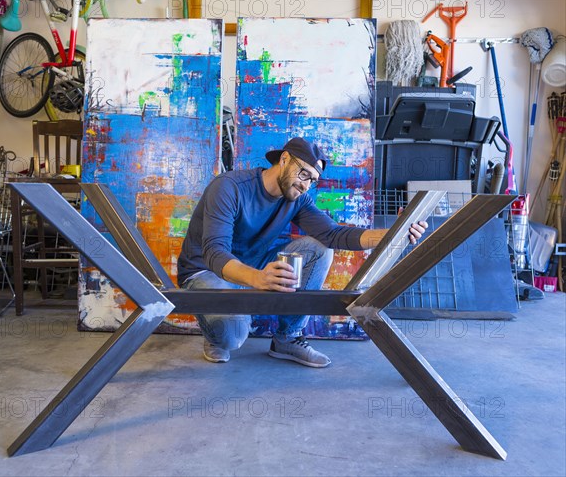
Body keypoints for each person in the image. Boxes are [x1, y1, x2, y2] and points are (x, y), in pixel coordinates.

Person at [177, 137, 428, 368]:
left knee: (319, 248)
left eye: (312, 180)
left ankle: (287, 338)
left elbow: (333, 234)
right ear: (284, 159)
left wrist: (392, 234)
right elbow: (214, 252)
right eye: (303, 173)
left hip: (254, 266)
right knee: (231, 338)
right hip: (207, 270)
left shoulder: (296, 198)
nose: (306, 185)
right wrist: (257, 278)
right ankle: (215, 335)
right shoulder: (229, 187)